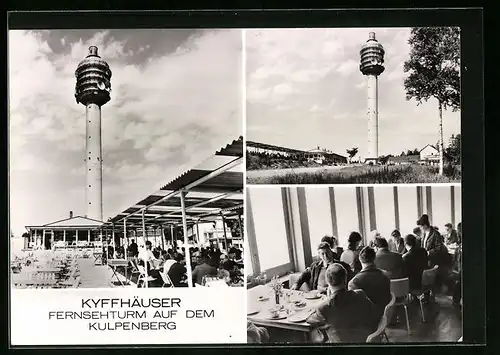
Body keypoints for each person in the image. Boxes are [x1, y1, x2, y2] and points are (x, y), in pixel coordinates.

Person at [306, 263, 380, 343]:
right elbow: (376, 312)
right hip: (366, 342)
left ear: (327, 282)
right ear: (345, 278)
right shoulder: (360, 294)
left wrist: (328, 299)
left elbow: (310, 320)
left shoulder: (324, 307)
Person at [348, 246, 391, 317]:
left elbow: (355, 309)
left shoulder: (354, 282)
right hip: (386, 316)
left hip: (367, 321)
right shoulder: (385, 274)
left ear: (360, 259)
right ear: (374, 258)